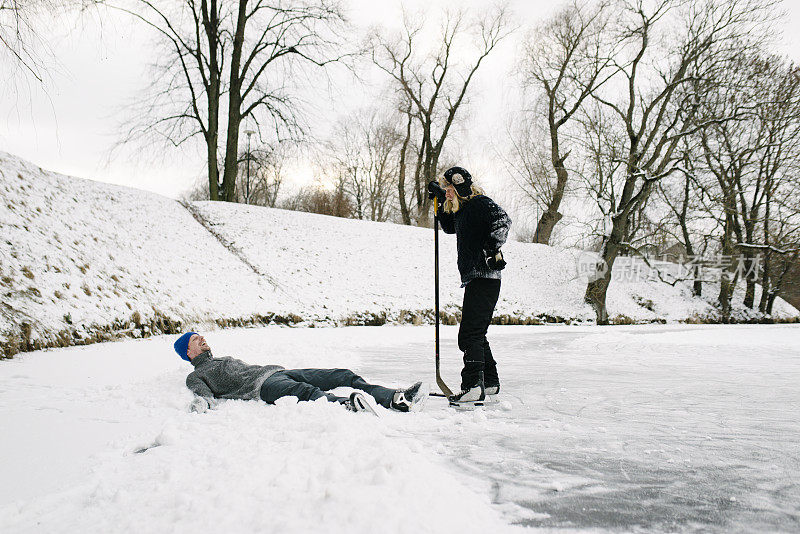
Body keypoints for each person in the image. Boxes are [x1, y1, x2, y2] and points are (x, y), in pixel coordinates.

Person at [174, 332, 427, 414]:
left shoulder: (221, 358)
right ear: (188, 351)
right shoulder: (196, 376)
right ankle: (349, 406)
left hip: (276, 372)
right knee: (308, 393)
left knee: (341, 375)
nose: (203, 339)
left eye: (202, 336)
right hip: (263, 389)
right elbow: (205, 397)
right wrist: (200, 403)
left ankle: (395, 398)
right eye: (197, 339)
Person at [427, 167, 511, 404]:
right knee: (477, 333)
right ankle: (490, 382)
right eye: (445, 189)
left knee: (469, 334)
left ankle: (473, 385)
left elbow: (502, 221)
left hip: (485, 276)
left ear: (460, 185)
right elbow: (449, 227)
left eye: (449, 188)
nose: (448, 192)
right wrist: (439, 199)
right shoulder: (464, 211)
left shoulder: (479, 203)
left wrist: (491, 249)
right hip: (477, 277)